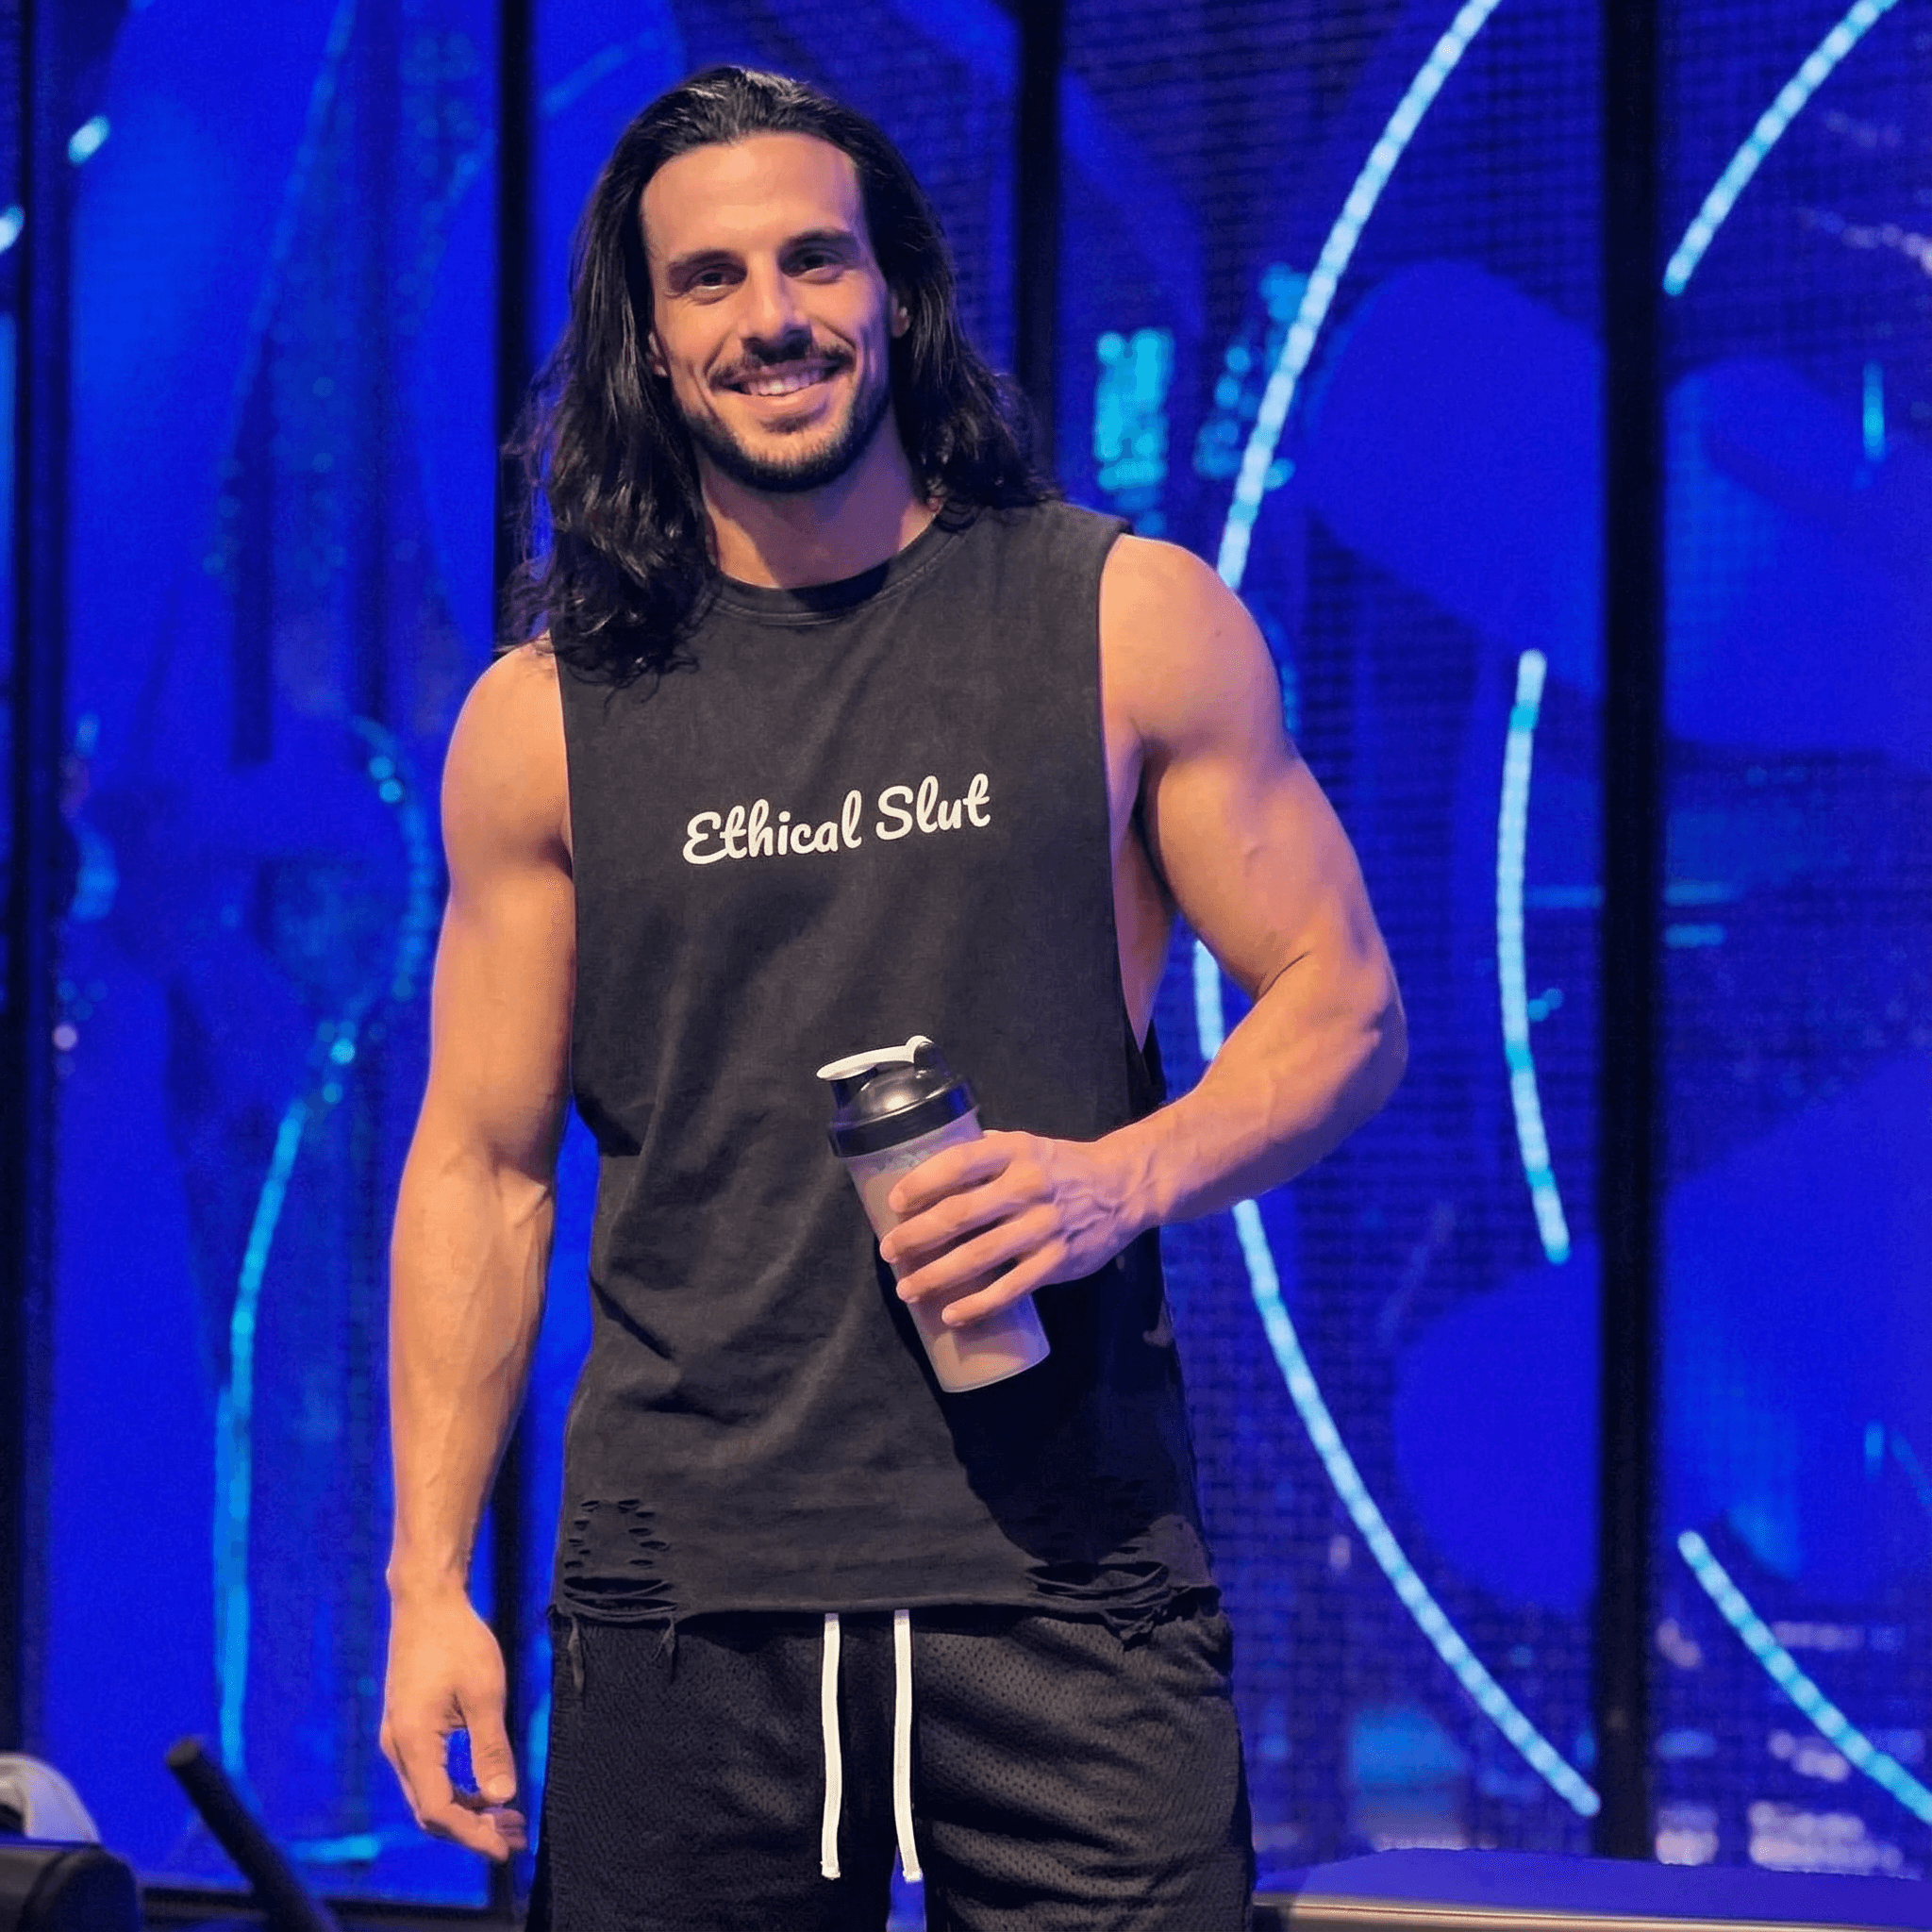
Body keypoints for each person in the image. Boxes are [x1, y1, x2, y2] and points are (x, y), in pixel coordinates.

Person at [380, 64, 1405, 1932]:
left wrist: (1119, 1180)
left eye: (813, 261)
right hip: (687, 1602)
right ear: (649, 341)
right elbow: (482, 1164)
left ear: (896, 291)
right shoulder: (539, 720)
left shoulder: (1125, 618)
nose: (768, 316)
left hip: (1067, 1583)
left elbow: (1342, 1003)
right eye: (707, 280)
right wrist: (427, 1585)